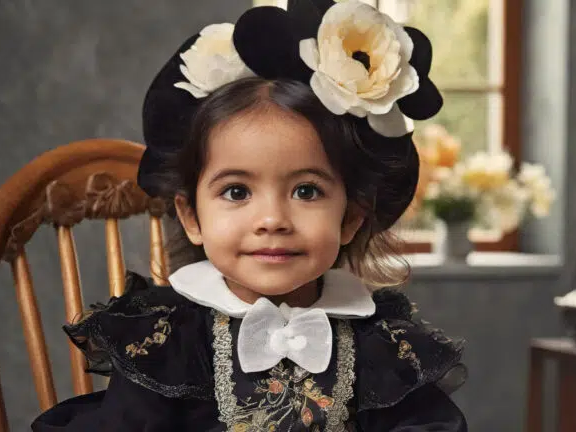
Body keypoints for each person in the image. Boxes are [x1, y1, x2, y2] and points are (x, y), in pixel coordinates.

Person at [32, 0, 467, 430]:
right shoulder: (171, 342)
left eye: (306, 190)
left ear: (350, 217)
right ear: (192, 218)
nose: (272, 219)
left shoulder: (380, 343)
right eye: (237, 191)